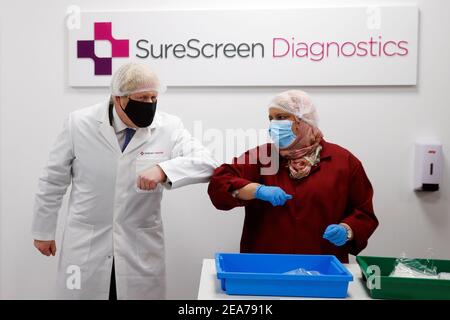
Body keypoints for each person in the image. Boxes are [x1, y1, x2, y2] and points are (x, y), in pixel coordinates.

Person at [32, 62, 217, 299]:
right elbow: (52, 179)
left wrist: (163, 169)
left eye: (153, 97)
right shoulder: (79, 124)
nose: (149, 105)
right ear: (119, 98)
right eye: (142, 98)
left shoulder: (169, 127)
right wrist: (43, 230)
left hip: (139, 248)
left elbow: (207, 162)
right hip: (87, 245)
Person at [208, 90, 378, 263]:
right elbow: (219, 181)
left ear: (302, 120)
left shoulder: (344, 161)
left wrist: (347, 229)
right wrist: (256, 190)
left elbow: (364, 212)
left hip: (322, 268)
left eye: (281, 117)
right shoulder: (263, 156)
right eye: (271, 118)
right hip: (265, 268)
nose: (274, 124)